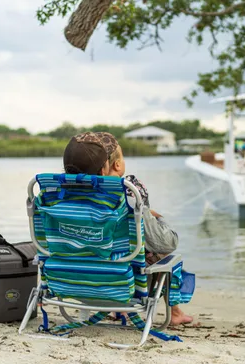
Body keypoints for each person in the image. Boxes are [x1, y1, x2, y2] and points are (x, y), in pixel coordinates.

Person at [63, 132, 194, 326]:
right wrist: (152, 216)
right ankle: (173, 312)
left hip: (72, 283)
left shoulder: (59, 196)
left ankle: (123, 311)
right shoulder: (130, 193)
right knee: (160, 249)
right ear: (117, 165)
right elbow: (167, 242)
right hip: (121, 285)